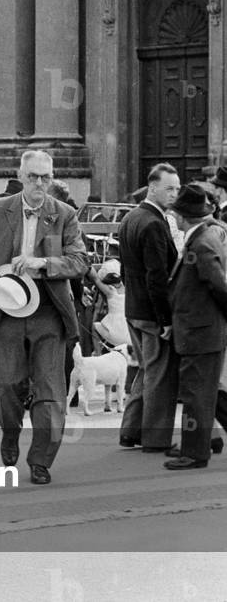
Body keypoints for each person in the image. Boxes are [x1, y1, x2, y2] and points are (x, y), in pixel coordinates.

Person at [0, 150, 88, 485]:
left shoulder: (64, 215)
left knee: (50, 392)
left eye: (45, 177)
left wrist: (44, 263)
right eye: (32, 177)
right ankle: (10, 433)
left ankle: (41, 460)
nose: (39, 184)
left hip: (49, 313)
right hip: (5, 312)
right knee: (6, 387)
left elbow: (80, 261)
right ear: (20, 175)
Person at [117, 163, 180, 453]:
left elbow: (127, 267)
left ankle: (130, 430)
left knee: (146, 369)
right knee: (158, 374)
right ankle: (155, 438)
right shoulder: (154, 222)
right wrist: (165, 318)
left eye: (177, 189)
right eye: (169, 188)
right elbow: (157, 276)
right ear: (152, 187)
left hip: (134, 308)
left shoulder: (130, 217)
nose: (174, 194)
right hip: (151, 311)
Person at [165, 184, 227, 470]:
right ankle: (200, 444)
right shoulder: (202, 237)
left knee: (196, 395)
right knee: (205, 394)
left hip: (201, 331)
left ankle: (194, 452)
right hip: (200, 329)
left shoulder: (201, 242)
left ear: (182, 216)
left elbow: (218, 285)